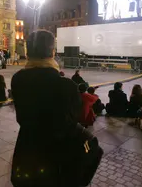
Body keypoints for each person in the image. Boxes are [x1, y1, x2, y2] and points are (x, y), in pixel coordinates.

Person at [11, 30, 91, 187]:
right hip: (56, 154)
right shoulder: (66, 85)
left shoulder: (18, 79)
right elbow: (75, 117)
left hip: (27, 148)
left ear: (27, 52)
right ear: (52, 52)